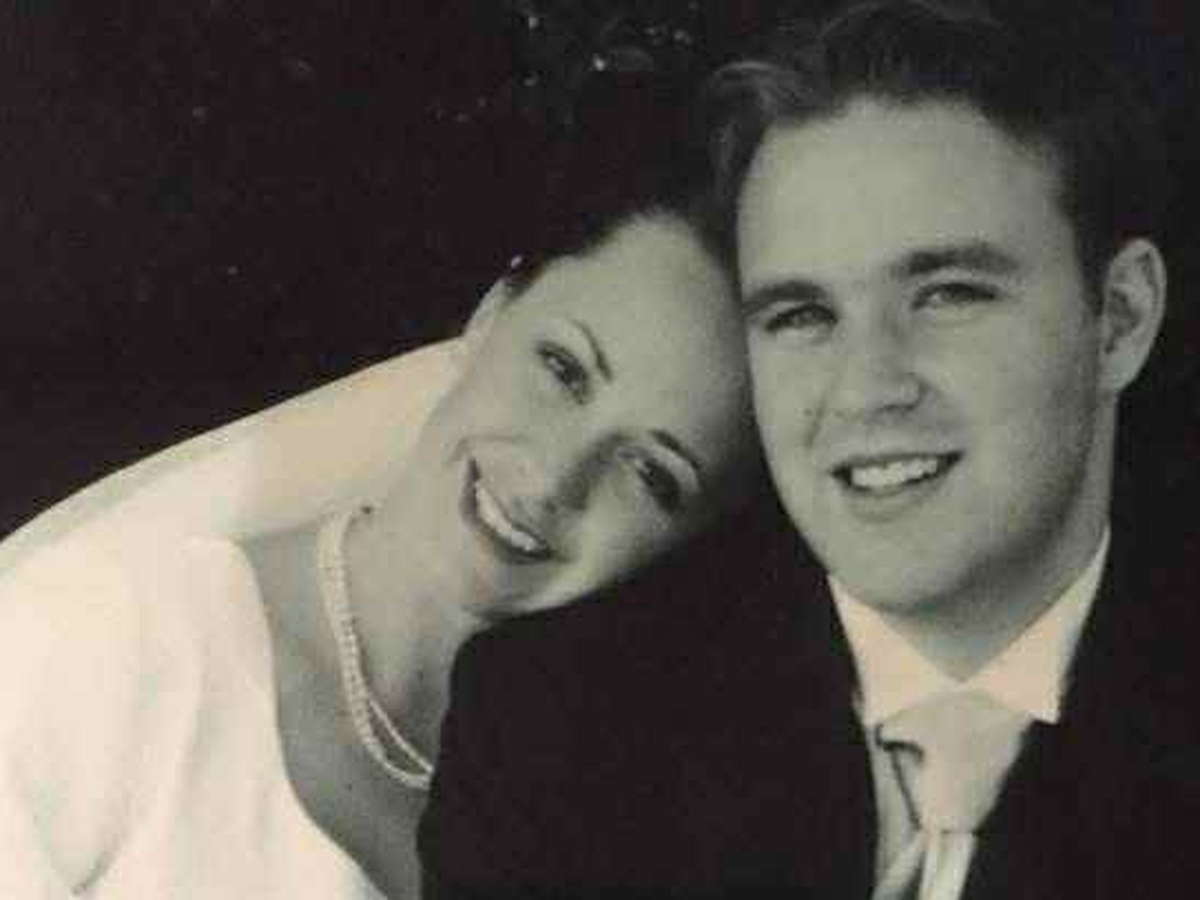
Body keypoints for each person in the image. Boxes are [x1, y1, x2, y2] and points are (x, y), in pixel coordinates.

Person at [422, 3, 1200, 898]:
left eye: (947, 294)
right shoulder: (557, 727)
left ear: (1120, 320)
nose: (864, 388)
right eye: (802, 315)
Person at [0, 93, 768, 896]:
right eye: (563, 370)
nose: (553, 480)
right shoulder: (116, 633)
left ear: (695, 532)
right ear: (491, 313)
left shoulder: (603, 822)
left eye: (652, 474)